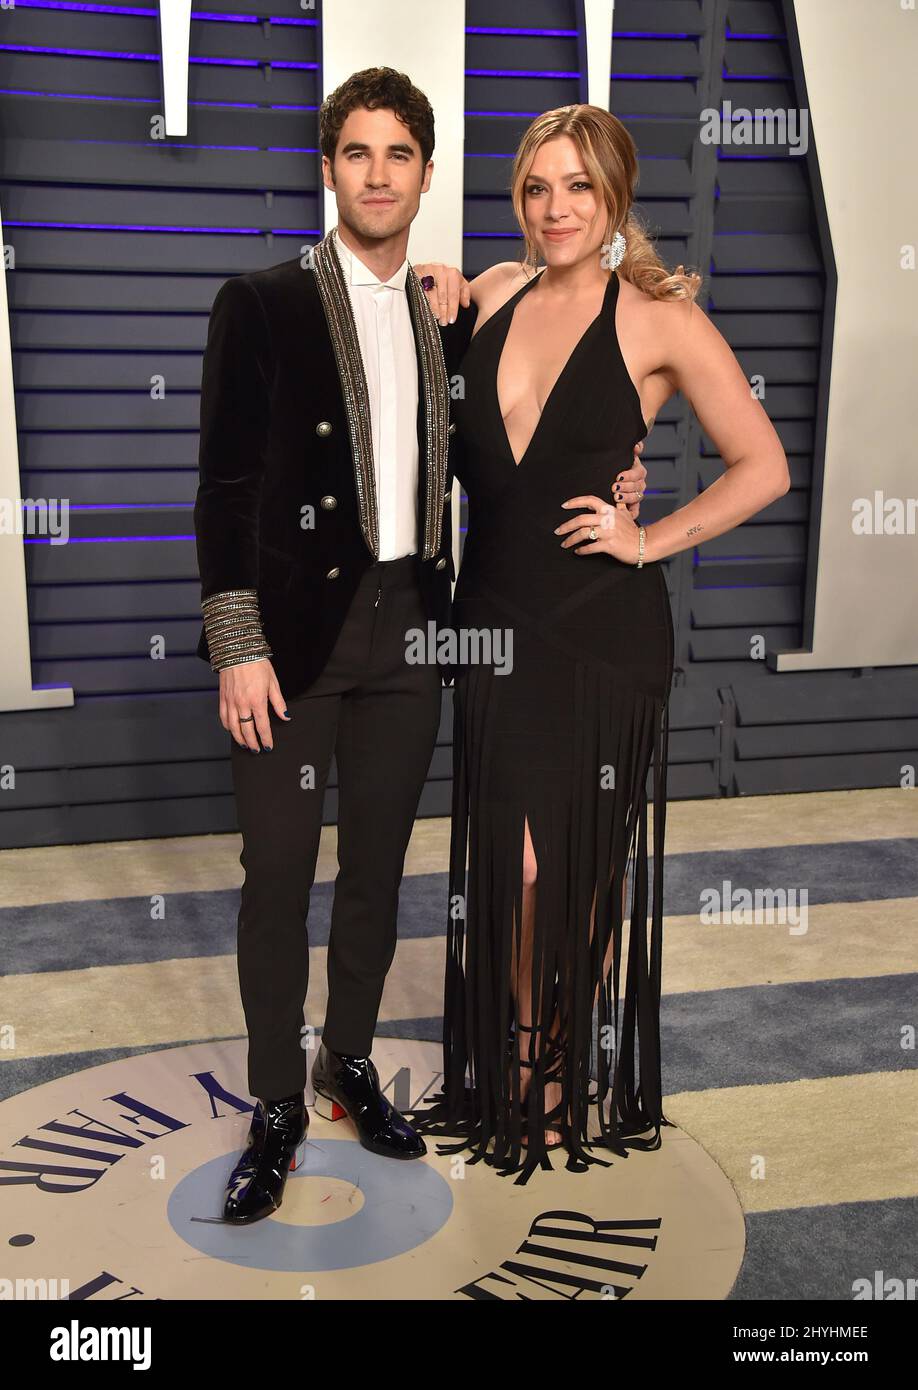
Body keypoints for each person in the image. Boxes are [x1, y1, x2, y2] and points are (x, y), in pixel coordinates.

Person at [193, 71, 649, 1223]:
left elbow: (535, 434)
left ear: (427, 175)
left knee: (380, 871)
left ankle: (346, 1062)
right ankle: (274, 1104)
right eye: (358, 153)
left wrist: (623, 480)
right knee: (277, 876)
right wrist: (236, 643)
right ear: (331, 168)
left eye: (400, 155)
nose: (379, 174)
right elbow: (224, 490)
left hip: (415, 630)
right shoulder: (259, 302)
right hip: (293, 646)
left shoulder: (455, 310)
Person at [406, 103, 790, 1185]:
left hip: (601, 633)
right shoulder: (484, 295)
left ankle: (559, 1072)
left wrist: (648, 536)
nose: (554, 206)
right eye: (536, 186)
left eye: (576, 185)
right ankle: (524, 1056)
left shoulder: (657, 319)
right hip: (491, 626)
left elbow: (762, 464)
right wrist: (433, 292)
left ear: (613, 196)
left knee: (564, 871)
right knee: (510, 866)